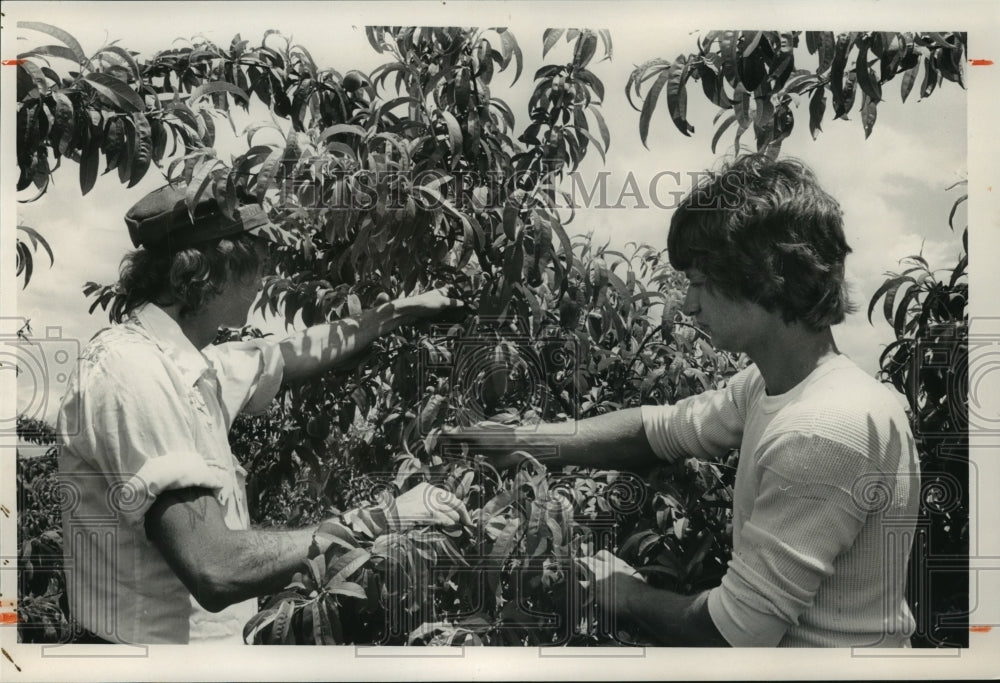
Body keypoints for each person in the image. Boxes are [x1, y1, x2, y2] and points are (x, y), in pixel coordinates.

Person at [446, 154, 920, 647]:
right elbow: (661, 430)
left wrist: (625, 592)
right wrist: (523, 440)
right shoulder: (775, 386)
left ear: (764, 275)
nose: (689, 305)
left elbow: (733, 631)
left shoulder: (822, 426)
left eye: (699, 283)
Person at [56, 185, 470, 644]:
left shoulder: (196, 366)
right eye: (254, 258)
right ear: (207, 271)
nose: (264, 275)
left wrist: (404, 309)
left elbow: (295, 351)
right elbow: (216, 568)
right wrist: (384, 518)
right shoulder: (131, 372)